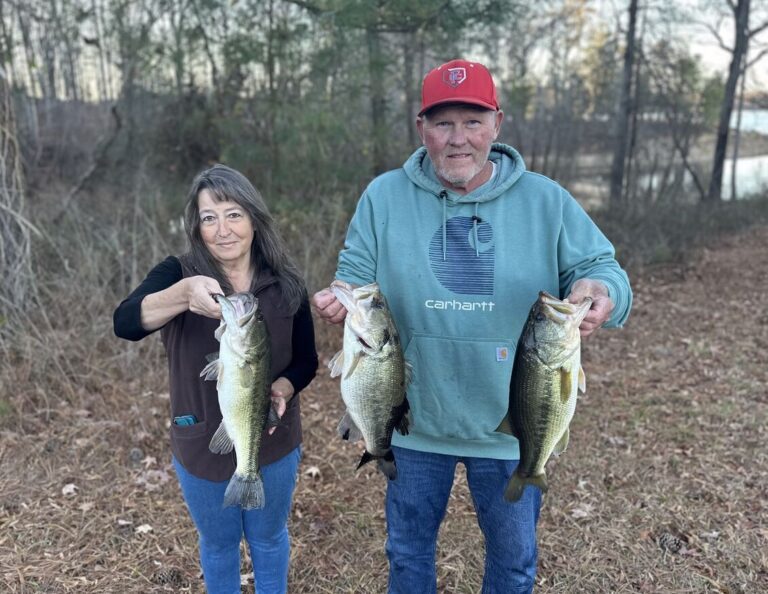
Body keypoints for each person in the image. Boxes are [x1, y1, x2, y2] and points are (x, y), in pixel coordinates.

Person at [312, 59, 632, 594]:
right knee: (408, 553)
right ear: (421, 128)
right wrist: (337, 299)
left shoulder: (546, 200)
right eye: (442, 123)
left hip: (513, 426)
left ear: (497, 124)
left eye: (472, 121)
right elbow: (354, 278)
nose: (457, 139)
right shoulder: (383, 197)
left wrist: (600, 293)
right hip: (413, 420)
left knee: (513, 563)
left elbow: (603, 271)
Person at [113, 164, 318, 594]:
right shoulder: (177, 272)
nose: (222, 229)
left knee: (268, 538)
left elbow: (306, 361)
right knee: (219, 544)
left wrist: (284, 386)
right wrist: (182, 295)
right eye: (209, 218)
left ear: (254, 220)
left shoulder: (286, 284)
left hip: (273, 440)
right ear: (197, 226)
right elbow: (126, 322)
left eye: (233, 214)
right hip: (200, 441)